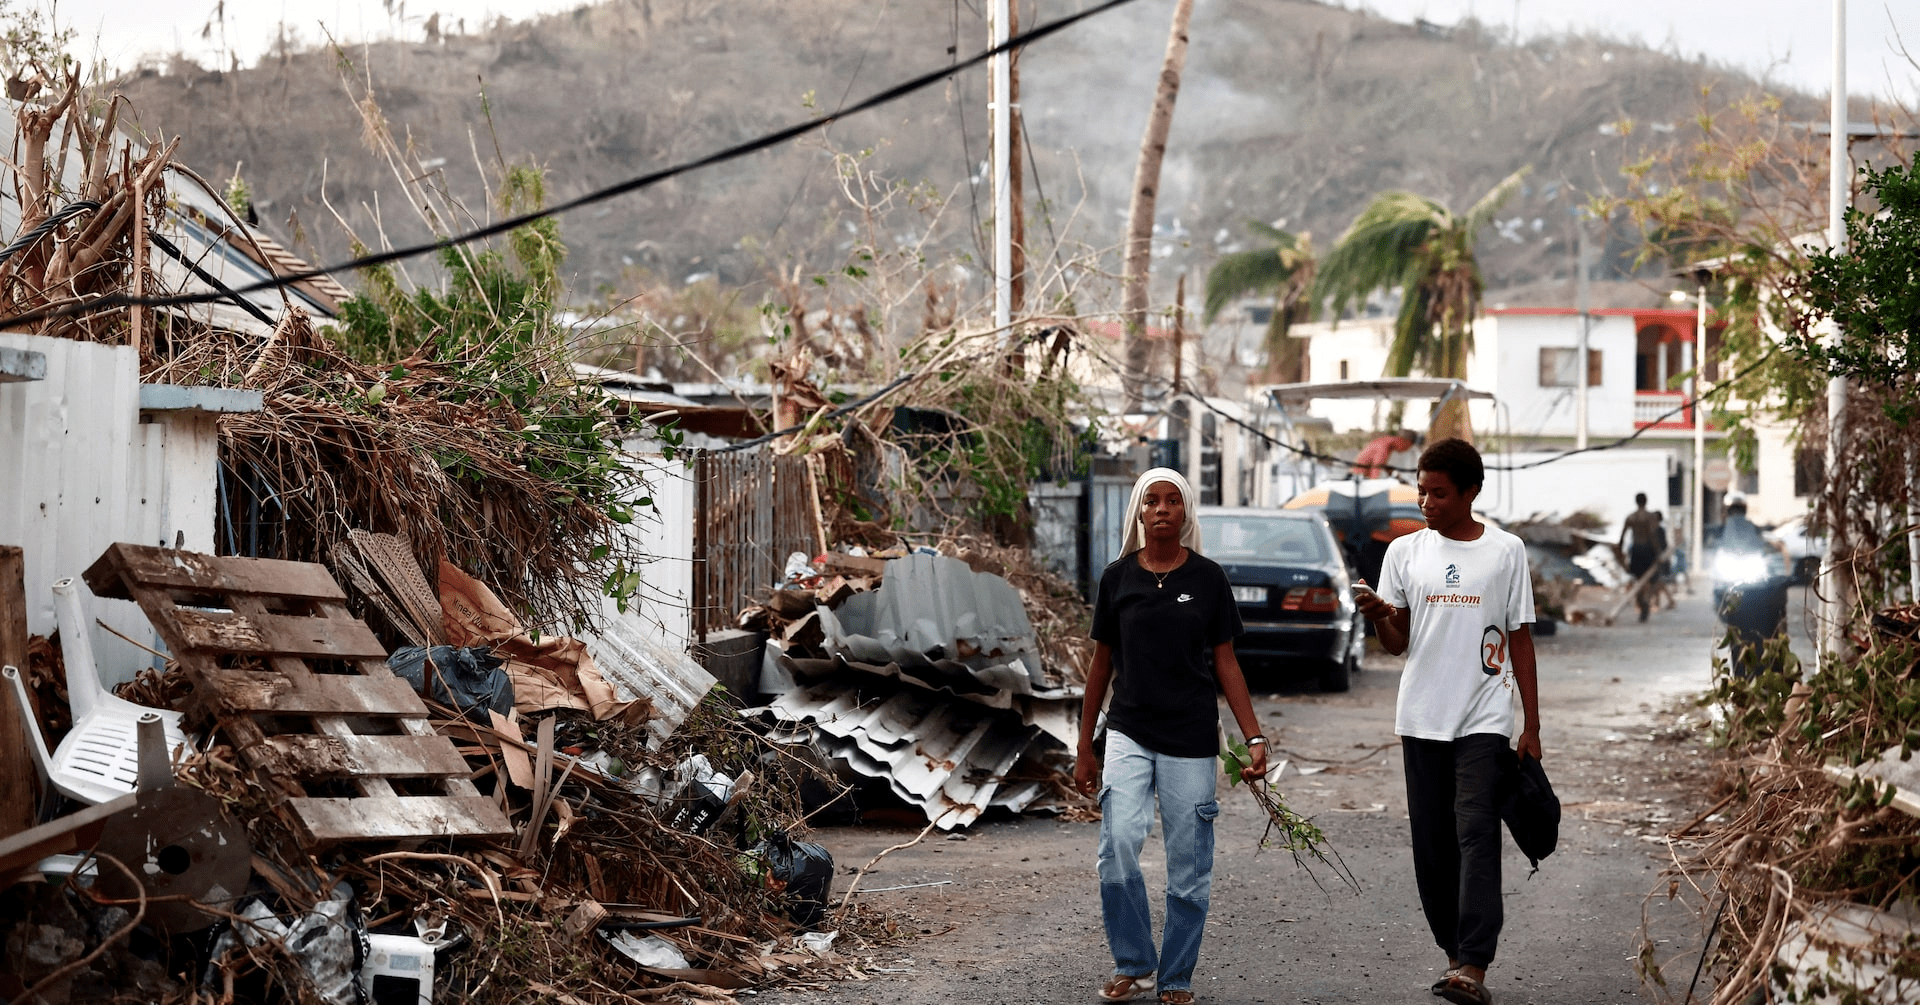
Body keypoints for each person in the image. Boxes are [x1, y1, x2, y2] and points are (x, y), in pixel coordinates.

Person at [1352, 438, 1541, 1005]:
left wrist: (1531, 722)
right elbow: (1396, 644)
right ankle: (1455, 956)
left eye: (1439, 492)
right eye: (1422, 490)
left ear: (1470, 493)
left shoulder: (1507, 551)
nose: (1427, 502)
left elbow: (1521, 638)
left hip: (1484, 714)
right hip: (1421, 714)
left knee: (1476, 831)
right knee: (1432, 845)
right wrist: (1380, 616)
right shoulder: (1404, 554)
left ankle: (1475, 963)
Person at [1074, 467, 1269, 1005]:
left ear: (1186, 514)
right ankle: (1134, 963)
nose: (1162, 510)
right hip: (1129, 731)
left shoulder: (1208, 579)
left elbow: (1227, 663)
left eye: (1172, 502)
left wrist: (1254, 737)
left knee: (1189, 867)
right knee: (1117, 848)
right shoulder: (1117, 579)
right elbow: (1100, 667)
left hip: (1190, 738)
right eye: (1152, 502)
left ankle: (1176, 977)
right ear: (1139, 512)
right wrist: (1084, 746)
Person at [1619, 492, 1664, 622]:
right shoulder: (1650, 517)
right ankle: (1646, 601)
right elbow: (1652, 535)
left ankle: (1642, 602)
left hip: (1636, 550)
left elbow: (1622, 537)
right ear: (1646, 501)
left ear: (1636, 501)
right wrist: (1658, 552)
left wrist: (1621, 554)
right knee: (1651, 580)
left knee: (1638, 581)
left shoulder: (1631, 517)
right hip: (1647, 550)